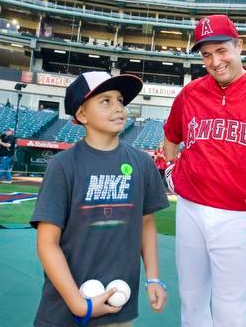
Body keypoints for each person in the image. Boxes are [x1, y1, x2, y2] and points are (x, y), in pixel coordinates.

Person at [162, 14, 246, 327]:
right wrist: (172, 166)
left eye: (221, 51)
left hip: (239, 214)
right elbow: (171, 135)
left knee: (230, 308)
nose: (215, 61)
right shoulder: (190, 93)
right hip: (190, 208)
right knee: (192, 300)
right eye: (206, 54)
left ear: (239, 46)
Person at [30, 71, 169, 327]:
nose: (118, 107)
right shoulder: (63, 165)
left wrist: (154, 278)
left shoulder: (141, 163)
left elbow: (146, 223)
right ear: (82, 114)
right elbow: (47, 244)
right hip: (64, 309)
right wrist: (78, 303)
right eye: (105, 100)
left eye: (120, 100)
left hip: (118, 309)